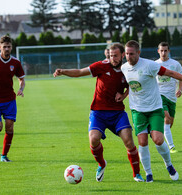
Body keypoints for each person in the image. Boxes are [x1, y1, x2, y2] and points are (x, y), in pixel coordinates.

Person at [53, 43, 144, 182]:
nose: (113, 58)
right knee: (94, 139)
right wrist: (63, 71)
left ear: (123, 55)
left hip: (117, 113)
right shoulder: (101, 65)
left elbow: (134, 86)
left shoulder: (128, 70)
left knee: (129, 140)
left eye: (116, 56)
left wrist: (124, 95)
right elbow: (79, 72)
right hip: (98, 112)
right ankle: (102, 163)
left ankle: (136, 174)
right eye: (111, 55)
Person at [121, 40, 182, 183]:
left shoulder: (149, 65)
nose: (129, 57)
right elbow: (126, 85)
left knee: (158, 140)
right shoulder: (124, 67)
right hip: (138, 110)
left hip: (154, 108)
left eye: (132, 53)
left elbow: (171, 73)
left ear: (138, 53)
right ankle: (149, 174)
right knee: (142, 141)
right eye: (127, 54)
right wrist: (122, 95)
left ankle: (169, 165)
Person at [0, 35, 25, 162]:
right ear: (0, 47)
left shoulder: (15, 62)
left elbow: (21, 79)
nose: (7, 49)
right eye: (4, 47)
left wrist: (21, 89)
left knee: (9, 127)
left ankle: (4, 156)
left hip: (9, 100)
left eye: (9, 46)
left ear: (11, 47)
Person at [156, 42, 182, 153]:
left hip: (172, 97)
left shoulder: (175, 64)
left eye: (165, 50)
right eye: (161, 50)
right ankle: (171, 147)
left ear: (169, 51)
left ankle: (157, 133)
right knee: (166, 118)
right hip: (159, 96)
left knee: (169, 123)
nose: (163, 53)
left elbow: (181, 78)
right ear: (158, 51)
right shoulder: (154, 64)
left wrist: (180, 89)